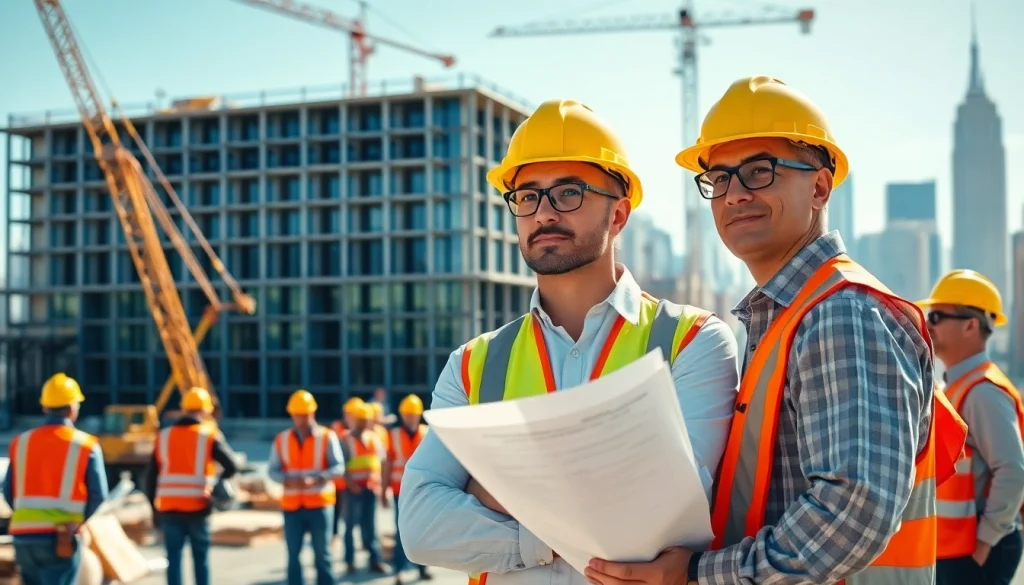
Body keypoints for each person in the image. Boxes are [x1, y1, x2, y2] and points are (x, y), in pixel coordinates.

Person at [584, 75, 968, 585]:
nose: (735, 194)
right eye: (719, 179)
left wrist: (698, 575)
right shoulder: (789, 315)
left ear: (820, 186)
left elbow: (852, 512)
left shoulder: (840, 313)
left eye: (758, 171)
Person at [398, 98, 739, 585]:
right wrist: (560, 528)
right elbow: (420, 528)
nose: (543, 213)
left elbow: (658, 517)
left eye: (568, 193)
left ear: (619, 215)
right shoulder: (472, 364)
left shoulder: (695, 341)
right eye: (528, 196)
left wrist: (491, 492)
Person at [917, 270, 1024, 584]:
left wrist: (984, 543)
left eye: (937, 316)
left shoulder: (982, 392)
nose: (929, 325)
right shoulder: (958, 388)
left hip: (975, 551)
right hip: (959, 548)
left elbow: (1013, 470)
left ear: (971, 325)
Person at [4, 373, 109, 585]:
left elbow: (8, 491)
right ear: (72, 408)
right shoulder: (86, 445)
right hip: (60, 537)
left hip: (23, 538)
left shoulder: (21, 443)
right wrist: (77, 522)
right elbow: (99, 494)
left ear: (44, 407)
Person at [143, 387, 239, 585]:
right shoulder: (209, 435)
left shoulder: (164, 436)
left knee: (174, 559)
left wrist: (154, 510)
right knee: (200, 559)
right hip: (198, 505)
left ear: (184, 409)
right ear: (205, 411)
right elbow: (232, 465)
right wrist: (218, 484)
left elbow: (150, 478)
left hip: (169, 507)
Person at [267, 389, 345, 585]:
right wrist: (286, 480)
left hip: (320, 504)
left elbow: (339, 467)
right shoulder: (281, 439)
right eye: (297, 414)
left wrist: (318, 478)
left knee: (323, 555)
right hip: (292, 507)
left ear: (313, 413)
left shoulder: (327, 436)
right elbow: (272, 470)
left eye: (304, 414)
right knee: (293, 556)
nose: (301, 419)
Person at [382, 394, 431, 584]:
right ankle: (399, 570)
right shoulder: (392, 435)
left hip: (423, 491)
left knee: (423, 530)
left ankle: (422, 568)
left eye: (414, 414)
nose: (411, 418)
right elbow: (387, 464)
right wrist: (383, 489)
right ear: (402, 415)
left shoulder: (427, 433)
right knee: (401, 531)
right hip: (399, 491)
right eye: (408, 414)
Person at [340, 402, 388, 576]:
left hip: (370, 489)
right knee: (350, 526)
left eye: (366, 420)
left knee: (370, 527)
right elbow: (341, 465)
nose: (364, 423)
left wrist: (381, 487)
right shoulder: (345, 439)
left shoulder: (374, 437)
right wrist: (350, 484)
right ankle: (349, 561)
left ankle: (374, 560)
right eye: (361, 420)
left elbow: (382, 462)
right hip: (352, 490)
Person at [329, 397, 364, 544]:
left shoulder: (359, 431)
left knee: (354, 513)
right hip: (339, 479)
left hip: (352, 479)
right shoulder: (337, 428)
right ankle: (334, 534)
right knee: (337, 508)